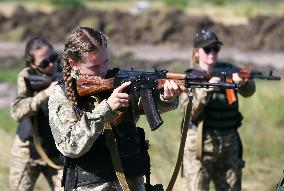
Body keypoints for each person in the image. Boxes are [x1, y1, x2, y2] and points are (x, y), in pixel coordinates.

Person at [48, 26, 187, 191]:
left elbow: (146, 105)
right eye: (94, 67)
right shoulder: (63, 94)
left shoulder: (118, 81)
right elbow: (69, 145)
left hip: (131, 183)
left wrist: (166, 96)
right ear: (73, 64)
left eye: (105, 63)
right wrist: (107, 109)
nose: (102, 71)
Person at [180, 29, 256, 191]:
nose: (212, 53)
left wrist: (243, 82)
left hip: (229, 143)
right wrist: (207, 88)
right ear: (197, 52)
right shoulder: (191, 76)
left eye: (216, 48)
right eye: (207, 49)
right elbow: (189, 111)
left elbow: (249, 92)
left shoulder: (228, 69)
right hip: (199, 146)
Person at [10, 36, 63, 191]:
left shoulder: (64, 73)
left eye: (53, 58)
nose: (52, 64)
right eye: (45, 63)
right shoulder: (27, 76)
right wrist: (45, 93)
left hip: (56, 149)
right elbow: (17, 111)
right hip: (27, 150)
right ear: (33, 63)